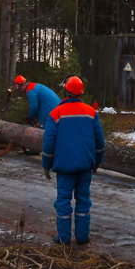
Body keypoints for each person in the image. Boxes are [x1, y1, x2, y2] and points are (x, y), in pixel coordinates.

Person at [41, 75, 105, 246]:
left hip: (64, 167)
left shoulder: (56, 113)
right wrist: (97, 161)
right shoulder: (91, 113)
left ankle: (63, 238)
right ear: (81, 93)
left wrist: (46, 165)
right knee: (83, 200)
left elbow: (49, 143)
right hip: (85, 166)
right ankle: (82, 237)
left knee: (63, 201)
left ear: (66, 92)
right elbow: (100, 141)